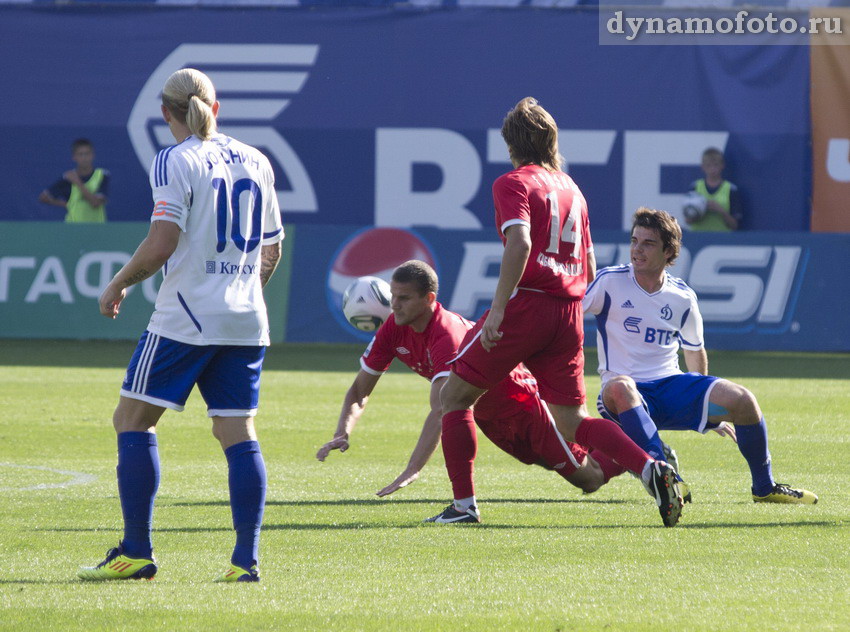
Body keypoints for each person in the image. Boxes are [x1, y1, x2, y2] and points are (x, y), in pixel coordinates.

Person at [432, 97, 684, 528]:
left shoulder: (512, 183)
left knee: (453, 397)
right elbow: (587, 265)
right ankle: (649, 467)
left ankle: (463, 507)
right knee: (572, 420)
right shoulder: (573, 190)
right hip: (568, 310)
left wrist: (497, 310)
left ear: (512, 143)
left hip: (527, 302)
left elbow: (521, 243)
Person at [77, 68, 284, 583]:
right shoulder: (258, 160)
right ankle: (245, 563)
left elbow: (162, 242)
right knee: (237, 430)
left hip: (187, 316)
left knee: (131, 421)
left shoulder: (175, 157)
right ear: (218, 106)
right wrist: (241, 295)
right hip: (245, 319)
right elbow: (272, 248)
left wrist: (118, 284)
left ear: (166, 113)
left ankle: (136, 551)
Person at [316, 261, 623, 503]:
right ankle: (627, 445)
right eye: (393, 297)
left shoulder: (445, 334)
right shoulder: (392, 330)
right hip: (486, 413)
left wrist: (413, 469)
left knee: (588, 479)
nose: (394, 306)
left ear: (429, 299)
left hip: (520, 401)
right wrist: (342, 431)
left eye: (404, 298)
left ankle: (637, 445)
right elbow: (359, 391)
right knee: (543, 460)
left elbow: (441, 409)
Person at [582, 207, 817, 504]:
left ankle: (764, 487)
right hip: (623, 397)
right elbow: (568, 313)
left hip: (670, 390)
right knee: (591, 475)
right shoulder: (610, 282)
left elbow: (695, 351)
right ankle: (664, 474)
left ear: (669, 251)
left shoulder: (682, 297)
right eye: (634, 241)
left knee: (743, 401)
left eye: (648, 243)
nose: (636, 250)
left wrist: (707, 410)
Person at [39, 138, 110, 223]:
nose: (84, 158)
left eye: (87, 154)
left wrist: (77, 182)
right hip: (73, 229)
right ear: (74, 157)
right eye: (80, 154)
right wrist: (67, 204)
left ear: (93, 155)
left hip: (96, 228)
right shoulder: (67, 178)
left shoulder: (101, 175)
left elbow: (95, 203)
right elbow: (43, 197)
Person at [686, 147, 742, 232]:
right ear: (703, 167)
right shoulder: (695, 187)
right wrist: (701, 209)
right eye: (708, 165)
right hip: (698, 237)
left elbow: (735, 225)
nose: (712, 169)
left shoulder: (731, 189)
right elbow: (688, 221)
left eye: (716, 165)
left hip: (721, 239)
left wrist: (720, 210)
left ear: (722, 165)